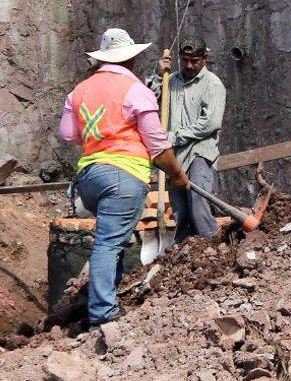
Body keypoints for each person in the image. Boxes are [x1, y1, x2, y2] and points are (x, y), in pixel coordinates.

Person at [59, 28, 191, 326]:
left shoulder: (78, 91)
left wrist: (101, 136)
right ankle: (103, 315)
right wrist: (178, 175)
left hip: (90, 177)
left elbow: (68, 134)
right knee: (108, 243)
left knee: (112, 238)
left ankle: (106, 297)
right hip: (123, 176)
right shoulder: (135, 91)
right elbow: (158, 147)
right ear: (130, 59)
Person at [150, 39, 227, 243]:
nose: (189, 65)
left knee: (199, 204)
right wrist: (158, 75)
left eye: (194, 61)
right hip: (175, 156)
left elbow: (209, 124)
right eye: (184, 61)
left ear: (204, 59)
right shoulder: (171, 81)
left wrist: (174, 137)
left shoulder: (212, 84)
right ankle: (185, 253)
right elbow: (146, 99)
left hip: (199, 152)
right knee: (180, 211)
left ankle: (213, 248)